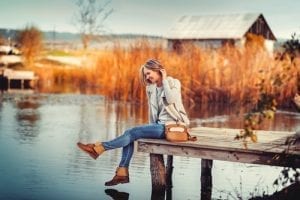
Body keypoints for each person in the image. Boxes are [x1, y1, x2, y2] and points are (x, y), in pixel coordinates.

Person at [77, 58, 190, 186]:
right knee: (130, 134)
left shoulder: (174, 82)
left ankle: (99, 148)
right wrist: (149, 128)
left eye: (148, 73)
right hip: (158, 126)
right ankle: (121, 173)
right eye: (145, 74)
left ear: (158, 70)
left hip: (172, 126)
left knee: (131, 132)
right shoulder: (151, 89)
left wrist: (164, 80)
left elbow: (170, 99)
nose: (147, 77)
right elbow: (152, 111)